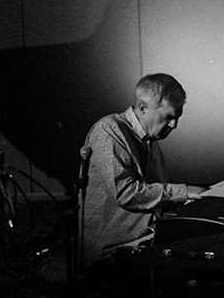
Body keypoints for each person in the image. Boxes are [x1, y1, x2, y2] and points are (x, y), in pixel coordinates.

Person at [78, 73, 203, 270]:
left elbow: (154, 197)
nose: (174, 125)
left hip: (143, 242)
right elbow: (125, 193)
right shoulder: (109, 130)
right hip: (113, 253)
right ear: (143, 108)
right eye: (168, 117)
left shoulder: (150, 141)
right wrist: (183, 192)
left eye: (177, 118)